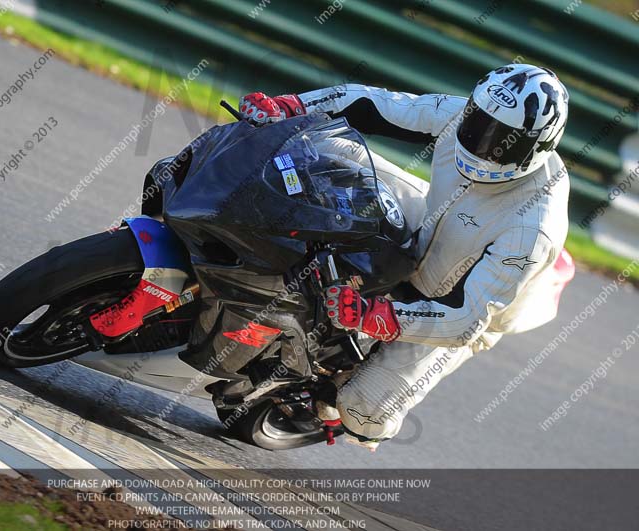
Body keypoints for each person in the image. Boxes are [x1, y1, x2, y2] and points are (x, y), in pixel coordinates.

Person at [239, 64, 574, 450]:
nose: (484, 143)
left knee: (364, 410)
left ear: (538, 148)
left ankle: (327, 406)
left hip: (455, 307)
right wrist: (293, 104)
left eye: (505, 140)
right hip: (429, 222)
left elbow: (464, 320)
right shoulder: (468, 113)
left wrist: (377, 316)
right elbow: (376, 102)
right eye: (479, 125)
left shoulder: (532, 227)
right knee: (325, 147)